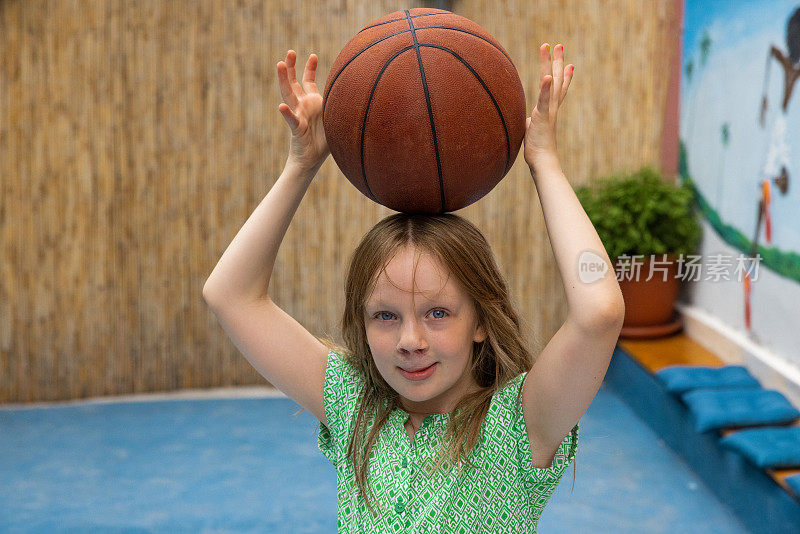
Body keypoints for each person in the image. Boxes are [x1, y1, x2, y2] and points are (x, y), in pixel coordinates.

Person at [203, 43, 625, 533]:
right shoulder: (356, 407)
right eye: (386, 315)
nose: (411, 340)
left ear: (482, 323)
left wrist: (544, 162)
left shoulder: (517, 428)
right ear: (361, 323)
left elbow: (599, 313)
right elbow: (229, 294)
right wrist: (302, 166)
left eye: (438, 313)